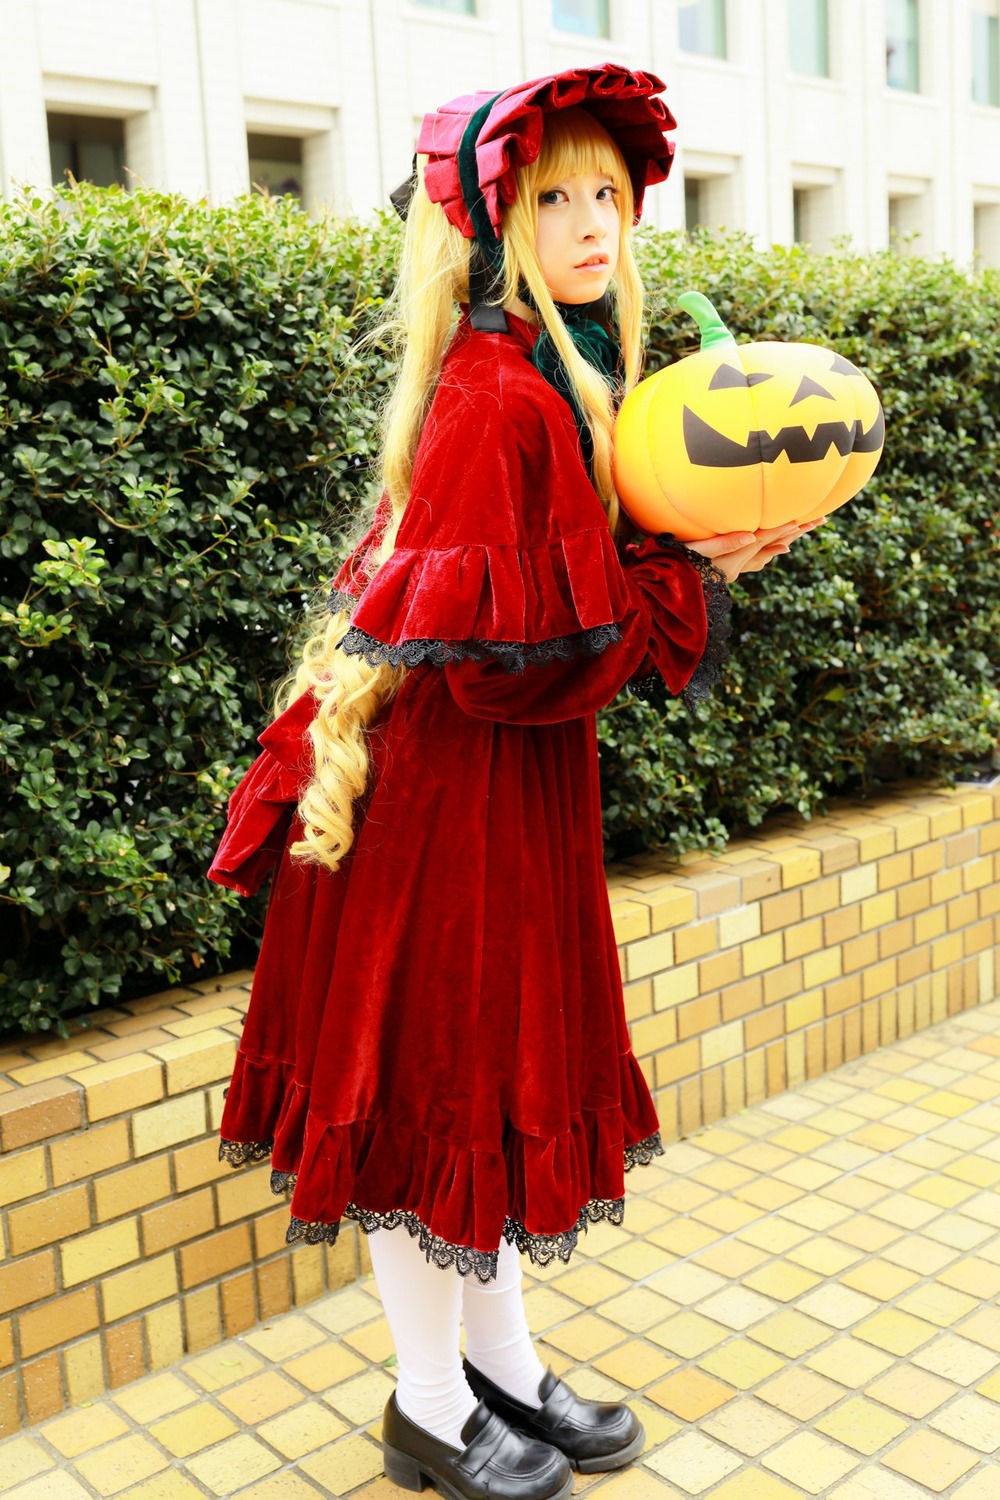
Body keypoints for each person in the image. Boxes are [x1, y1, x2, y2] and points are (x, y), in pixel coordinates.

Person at [208, 65, 820, 1499]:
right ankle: (429, 1405)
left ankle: (504, 1369)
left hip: (496, 795)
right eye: (557, 197)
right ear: (495, 222)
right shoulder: (500, 393)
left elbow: (557, 623)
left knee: (482, 1093)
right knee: (440, 1098)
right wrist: (683, 569)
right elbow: (505, 663)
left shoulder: (563, 373)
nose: (595, 221)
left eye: (609, 192)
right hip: (442, 809)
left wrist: (692, 550)